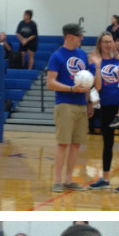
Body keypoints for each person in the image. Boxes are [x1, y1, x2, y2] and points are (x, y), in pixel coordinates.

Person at [46, 23, 93, 192]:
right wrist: (71, 89)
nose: (82, 38)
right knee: (63, 143)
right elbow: (50, 83)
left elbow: (87, 80)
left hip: (81, 104)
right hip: (64, 104)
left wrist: (88, 101)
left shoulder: (82, 54)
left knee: (76, 144)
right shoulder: (57, 56)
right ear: (69, 37)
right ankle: (57, 180)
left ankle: (68, 180)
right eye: (79, 35)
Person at [88, 34, 119, 193]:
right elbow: (98, 87)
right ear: (100, 44)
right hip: (106, 106)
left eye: (111, 41)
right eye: (106, 41)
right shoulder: (96, 62)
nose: (110, 44)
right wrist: (97, 66)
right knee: (107, 144)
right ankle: (105, 179)